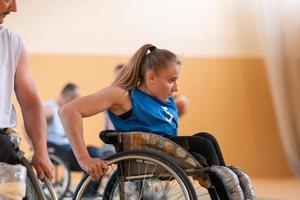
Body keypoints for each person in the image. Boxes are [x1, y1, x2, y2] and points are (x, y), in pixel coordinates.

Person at [59, 44, 230, 196]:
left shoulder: (164, 99)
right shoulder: (123, 95)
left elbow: (160, 123)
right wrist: (84, 158)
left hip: (164, 150)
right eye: (171, 80)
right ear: (151, 77)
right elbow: (68, 111)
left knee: (207, 139)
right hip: (150, 153)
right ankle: (228, 192)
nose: (176, 87)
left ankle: (231, 186)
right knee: (203, 144)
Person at [0, 0, 53, 180]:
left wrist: (41, 150)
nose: (14, 8)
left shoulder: (12, 43)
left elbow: (31, 104)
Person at [45, 83, 110, 171]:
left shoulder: (63, 110)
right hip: (58, 150)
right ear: (70, 98)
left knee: (98, 156)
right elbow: (32, 122)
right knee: (94, 154)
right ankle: (88, 184)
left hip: (67, 149)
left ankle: (88, 184)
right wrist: (34, 146)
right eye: (76, 99)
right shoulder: (50, 109)